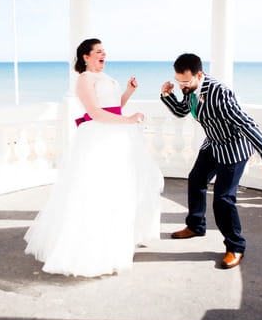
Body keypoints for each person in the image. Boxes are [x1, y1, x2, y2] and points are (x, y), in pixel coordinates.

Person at [24, 38, 163, 277]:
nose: (103, 54)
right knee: (96, 191)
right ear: (85, 57)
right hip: (99, 138)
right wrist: (129, 120)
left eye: (104, 51)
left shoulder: (105, 77)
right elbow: (95, 113)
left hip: (117, 136)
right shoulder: (84, 79)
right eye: (98, 51)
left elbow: (112, 107)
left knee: (121, 188)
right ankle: (92, 251)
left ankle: (115, 242)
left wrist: (128, 92)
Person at [160, 53, 262, 269]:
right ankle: (196, 226)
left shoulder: (219, 92)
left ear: (199, 75)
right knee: (196, 179)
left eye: (185, 82)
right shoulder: (190, 89)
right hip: (213, 144)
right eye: (178, 81)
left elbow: (246, 124)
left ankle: (236, 246)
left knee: (223, 199)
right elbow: (181, 111)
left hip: (233, 147)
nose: (182, 86)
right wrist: (167, 95)